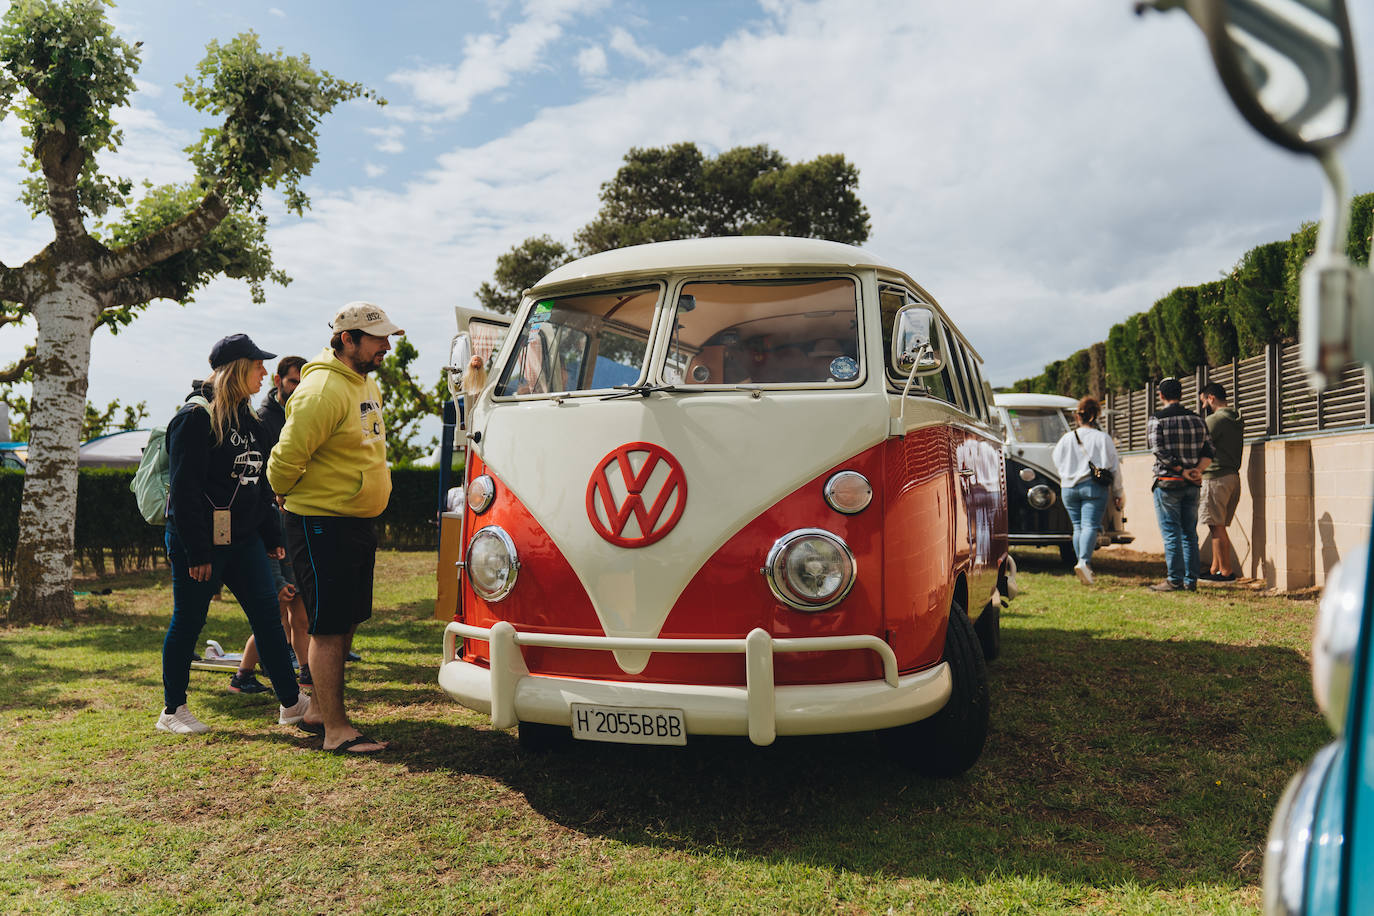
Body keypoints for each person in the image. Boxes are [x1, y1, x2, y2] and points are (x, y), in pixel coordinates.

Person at [156, 334, 311, 735]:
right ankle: (173, 711)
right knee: (189, 622)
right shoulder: (194, 417)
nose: (264, 373)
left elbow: (256, 486)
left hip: (243, 542)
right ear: (238, 368)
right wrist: (197, 552)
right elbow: (185, 493)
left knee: (267, 618)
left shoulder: (250, 420)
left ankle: (292, 703)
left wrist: (271, 534)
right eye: (258, 365)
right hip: (198, 544)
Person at [267, 302, 403, 754]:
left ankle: (320, 712)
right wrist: (284, 491)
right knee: (327, 625)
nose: (387, 345)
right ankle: (336, 731)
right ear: (347, 339)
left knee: (345, 619)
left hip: (355, 522)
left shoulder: (365, 382)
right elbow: (284, 460)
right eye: (378, 337)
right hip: (321, 522)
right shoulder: (322, 389)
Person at [230, 355, 311, 693]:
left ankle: (306, 670)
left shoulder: (299, 412)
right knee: (274, 611)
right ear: (279, 381)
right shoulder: (264, 419)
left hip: (289, 522)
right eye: (293, 382)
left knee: (298, 608)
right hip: (275, 521)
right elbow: (262, 481)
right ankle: (244, 674)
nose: (297, 389)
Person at [1147, 377, 1214, 592]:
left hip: (1168, 482)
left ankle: (1174, 580)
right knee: (1189, 532)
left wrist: (1180, 469)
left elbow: (1158, 451)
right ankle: (1190, 580)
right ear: (1182, 395)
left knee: (1171, 533)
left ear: (1161, 395)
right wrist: (1197, 471)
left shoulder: (1156, 420)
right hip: (1192, 483)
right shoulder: (1198, 419)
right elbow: (1209, 450)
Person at [1051, 396, 1124, 586]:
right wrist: (1118, 493)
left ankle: (1081, 563)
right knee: (1090, 525)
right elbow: (1114, 466)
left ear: (1078, 417)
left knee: (1078, 526)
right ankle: (1084, 562)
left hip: (1068, 487)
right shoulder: (1102, 438)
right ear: (1095, 416)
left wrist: (1067, 474)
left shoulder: (1066, 438)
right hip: (1093, 486)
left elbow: (1056, 459)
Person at [1198, 382, 1244, 581]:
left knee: (1216, 526)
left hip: (1215, 477)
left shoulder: (1214, 420)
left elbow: (1199, 445)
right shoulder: (1235, 418)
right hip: (1233, 476)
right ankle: (1214, 569)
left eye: (1203, 402)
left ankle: (1225, 572)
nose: (1202, 407)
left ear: (1211, 398)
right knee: (1218, 525)